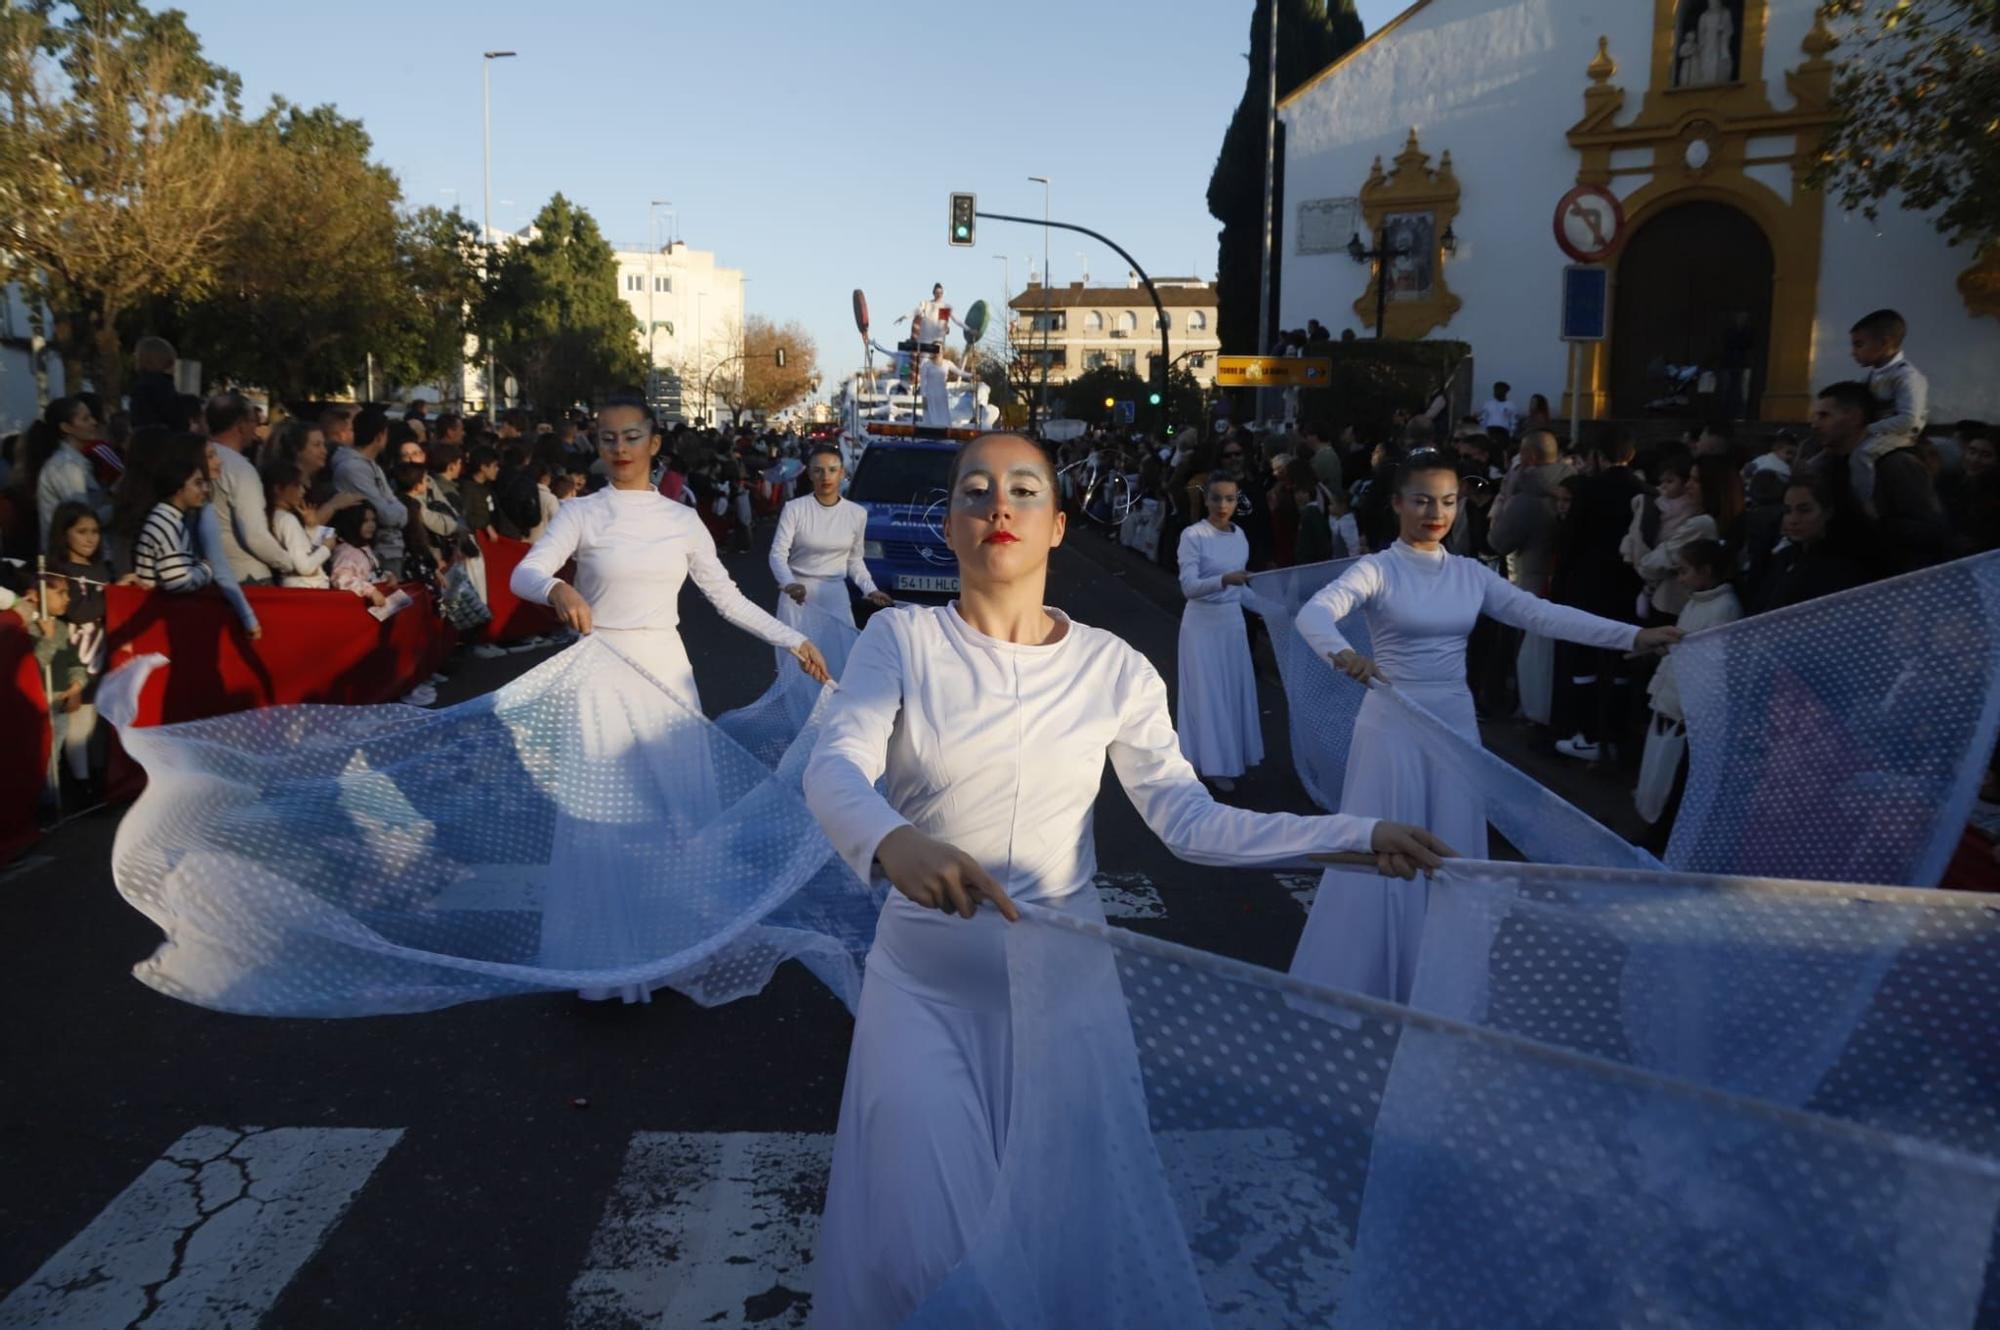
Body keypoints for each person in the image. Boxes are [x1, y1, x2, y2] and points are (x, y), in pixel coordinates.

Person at [801, 430, 1449, 1328]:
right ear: (948, 526)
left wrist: (1353, 834)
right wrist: (890, 841)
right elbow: (834, 765)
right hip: (925, 995)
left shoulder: (1113, 667)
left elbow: (1191, 820)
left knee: (1049, 1236)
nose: (999, 506)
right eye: (976, 491)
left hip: (1066, 998)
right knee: (926, 1252)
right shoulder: (902, 643)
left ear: (1059, 526)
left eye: (1024, 490)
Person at [1289, 451, 1679, 1002]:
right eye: (1422, 500)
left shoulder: (1470, 574)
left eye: (1448, 501)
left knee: (1451, 851)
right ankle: (1366, 982)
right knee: (1385, 849)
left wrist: (1634, 637)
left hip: (1452, 724)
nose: (1435, 512)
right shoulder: (1377, 568)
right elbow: (1315, 613)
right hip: (1393, 722)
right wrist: (1342, 653)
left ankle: (1441, 983)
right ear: (1397, 503)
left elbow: (1543, 615)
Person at [512, 394, 829, 717]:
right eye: (608, 439)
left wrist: (794, 641)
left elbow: (728, 600)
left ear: (654, 443)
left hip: (666, 674)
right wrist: (556, 589)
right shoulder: (579, 513)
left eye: (632, 437)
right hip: (597, 673)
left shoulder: (683, 520)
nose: (620, 448)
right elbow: (524, 575)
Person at [1635, 539, 1742, 842]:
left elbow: (1712, 663)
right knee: (1659, 766)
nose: (1679, 578)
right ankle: (1653, 821)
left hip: (1689, 704)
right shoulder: (1697, 601)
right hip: (1673, 695)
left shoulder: (1725, 607)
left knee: (1673, 774)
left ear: (1705, 571)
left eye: (1683, 571)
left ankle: (1662, 831)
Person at [768, 444, 892, 680]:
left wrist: (870, 589)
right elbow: (777, 553)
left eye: (832, 470)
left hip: (835, 595)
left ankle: (831, 715)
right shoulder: (795, 509)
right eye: (818, 470)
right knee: (797, 667)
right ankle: (801, 717)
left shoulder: (856, 514)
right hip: (798, 597)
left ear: (842, 473)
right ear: (809, 474)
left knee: (838, 664)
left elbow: (855, 560)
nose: (825, 476)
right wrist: (788, 583)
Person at [1176, 472, 1261, 792]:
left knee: (1232, 693)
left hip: (1232, 625)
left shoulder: (1240, 536)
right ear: (1206, 499)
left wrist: (1278, 610)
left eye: (1230, 499)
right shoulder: (1193, 535)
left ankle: (1230, 758)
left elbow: (1242, 592)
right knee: (1208, 694)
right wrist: (1225, 579)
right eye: (1216, 498)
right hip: (1202, 627)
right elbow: (1189, 587)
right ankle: (1209, 764)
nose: (1223, 505)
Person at [1808, 380, 1947, 573]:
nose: (1815, 424)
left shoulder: (1895, 465)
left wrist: (1878, 522)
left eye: (1824, 415)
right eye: (1815, 416)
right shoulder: (1820, 467)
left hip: (1886, 582)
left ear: (1855, 417)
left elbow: (1931, 531)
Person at [206, 392, 304, 585]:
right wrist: (288, 563)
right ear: (241, 425)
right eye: (254, 421)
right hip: (245, 576)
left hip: (208, 572)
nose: (256, 428)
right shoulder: (240, 469)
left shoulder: (196, 459)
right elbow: (254, 534)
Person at [1751, 474, 1871, 613]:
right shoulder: (1783, 559)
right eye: (1787, 511)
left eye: (1804, 510)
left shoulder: (1842, 568)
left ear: (1827, 512)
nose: (1793, 519)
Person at [1849, 308, 1929, 502]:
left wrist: (1869, 429)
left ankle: (1865, 504)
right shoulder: (1872, 374)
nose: (1853, 353)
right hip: (1875, 430)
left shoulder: (1907, 376)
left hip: (1901, 434)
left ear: (1885, 343)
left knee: (1862, 454)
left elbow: (1909, 418)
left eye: (1859, 345)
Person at [132, 434, 218, 595]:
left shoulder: (166, 518)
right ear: (179, 488)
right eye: (197, 483)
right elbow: (178, 582)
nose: (204, 490)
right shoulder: (168, 525)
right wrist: (206, 569)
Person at [331, 406, 408, 580]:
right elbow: (385, 513)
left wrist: (398, 511)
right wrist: (397, 511)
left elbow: (395, 503)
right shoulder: (351, 468)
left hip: (389, 548)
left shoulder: (372, 465)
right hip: (375, 548)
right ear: (380, 436)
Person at [31, 397, 110, 544]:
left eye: (91, 416)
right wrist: (119, 508)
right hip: (67, 557)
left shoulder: (76, 461)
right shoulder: (66, 466)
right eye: (85, 419)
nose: (94, 422)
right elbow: (82, 519)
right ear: (66, 427)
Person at [264, 460, 333, 590]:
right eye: (297, 485)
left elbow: (307, 552)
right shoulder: (287, 520)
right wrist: (327, 548)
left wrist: (311, 527)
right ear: (278, 489)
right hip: (306, 589)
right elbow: (304, 567)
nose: (302, 491)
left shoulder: (276, 518)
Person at [328, 504, 390, 609]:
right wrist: (370, 591)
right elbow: (342, 579)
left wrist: (386, 576)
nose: (371, 525)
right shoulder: (345, 552)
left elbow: (369, 573)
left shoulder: (363, 547)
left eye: (373, 520)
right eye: (365, 521)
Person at [1477, 381, 1519, 448]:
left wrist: (1510, 435)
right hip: (1490, 432)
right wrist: (1484, 433)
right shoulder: (1488, 404)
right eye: (1495, 390)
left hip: (1503, 433)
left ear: (1505, 392)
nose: (1495, 392)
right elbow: (1483, 420)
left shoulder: (1511, 406)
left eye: (1498, 390)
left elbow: (1513, 422)